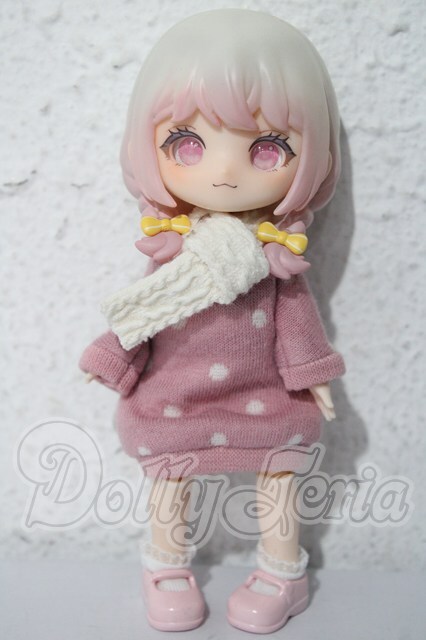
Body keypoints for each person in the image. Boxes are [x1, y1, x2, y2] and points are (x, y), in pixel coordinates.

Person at [80, 9, 345, 634]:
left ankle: (283, 570)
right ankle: (166, 563)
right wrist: (114, 357)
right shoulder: (173, 250)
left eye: (268, 148)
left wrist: (312, 374)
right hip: (175, 393)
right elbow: (149, 309)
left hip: (263, 393)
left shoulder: (274, 256)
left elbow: (296, 319)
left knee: (281, 465)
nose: (225, 173)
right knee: (170, 473)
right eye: (188, 144)